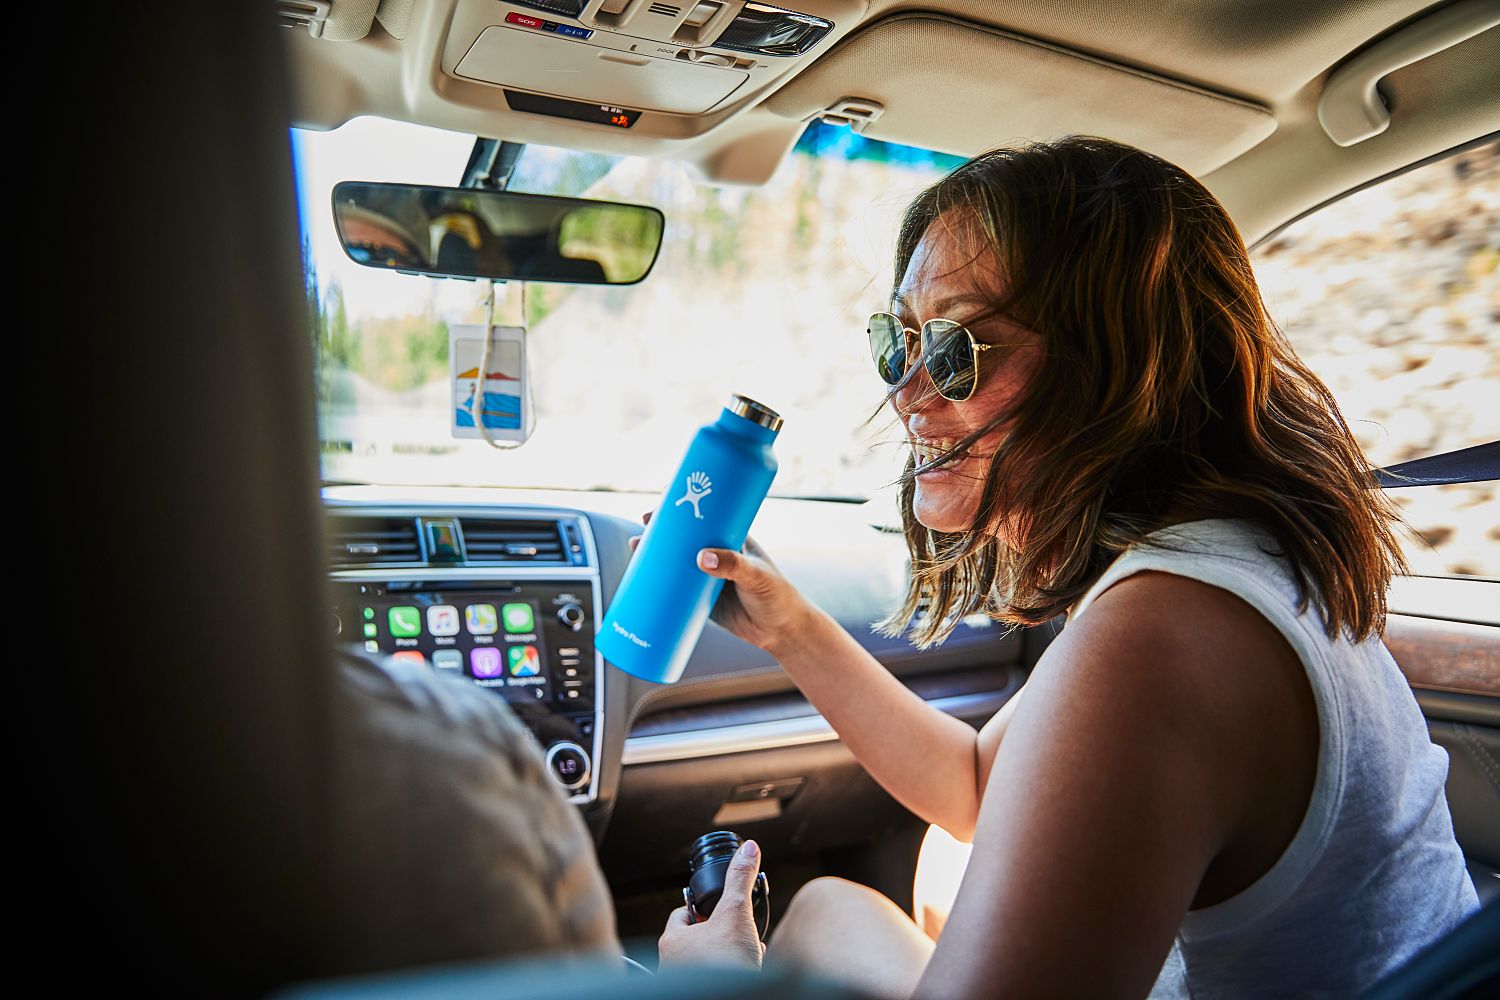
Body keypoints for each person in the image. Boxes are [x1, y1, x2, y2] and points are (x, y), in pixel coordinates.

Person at [653, 136, 1479, 998]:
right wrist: (791, 629)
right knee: (830, 908)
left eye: (958, 351)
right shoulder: (1229, 561)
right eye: (899, 342)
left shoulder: (1162, 639)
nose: (908, 392)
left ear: (1116, 369)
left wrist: (714, 989)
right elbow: (977, 784)